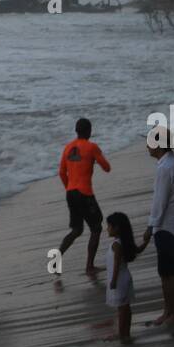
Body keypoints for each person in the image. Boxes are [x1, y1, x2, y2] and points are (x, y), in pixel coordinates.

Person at [142, 133, 174, 328]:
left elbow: (160, 202)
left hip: (166, 227)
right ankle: (169, 311)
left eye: (149, 143)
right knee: (165, 271)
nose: (147, 146)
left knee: (169, 273)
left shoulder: (165, 168)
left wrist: (150, 227)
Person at [58, 118, 111, 276]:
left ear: (76, 131)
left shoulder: (67, 148)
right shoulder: (92, 147)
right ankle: (89, 266)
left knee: (77, 230)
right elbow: (107, 168)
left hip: (70, 192)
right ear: (89, 131)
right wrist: (95, 158)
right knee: (96, 228)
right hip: (85, 193)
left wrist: (69, 187)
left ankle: (57, 258)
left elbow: (61, 172)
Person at [103, 212, 143, 342]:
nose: (107, 229)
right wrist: (146, 240)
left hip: (119, 279)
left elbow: (116, 264)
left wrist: (113, 280)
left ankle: (122, 334)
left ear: (117, 228)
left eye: (109, 226)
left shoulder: (117, 245)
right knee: (125, 307)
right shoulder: (123, 242)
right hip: (124, 277)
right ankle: (125, 333)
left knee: (122, 309)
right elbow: (138, 250)